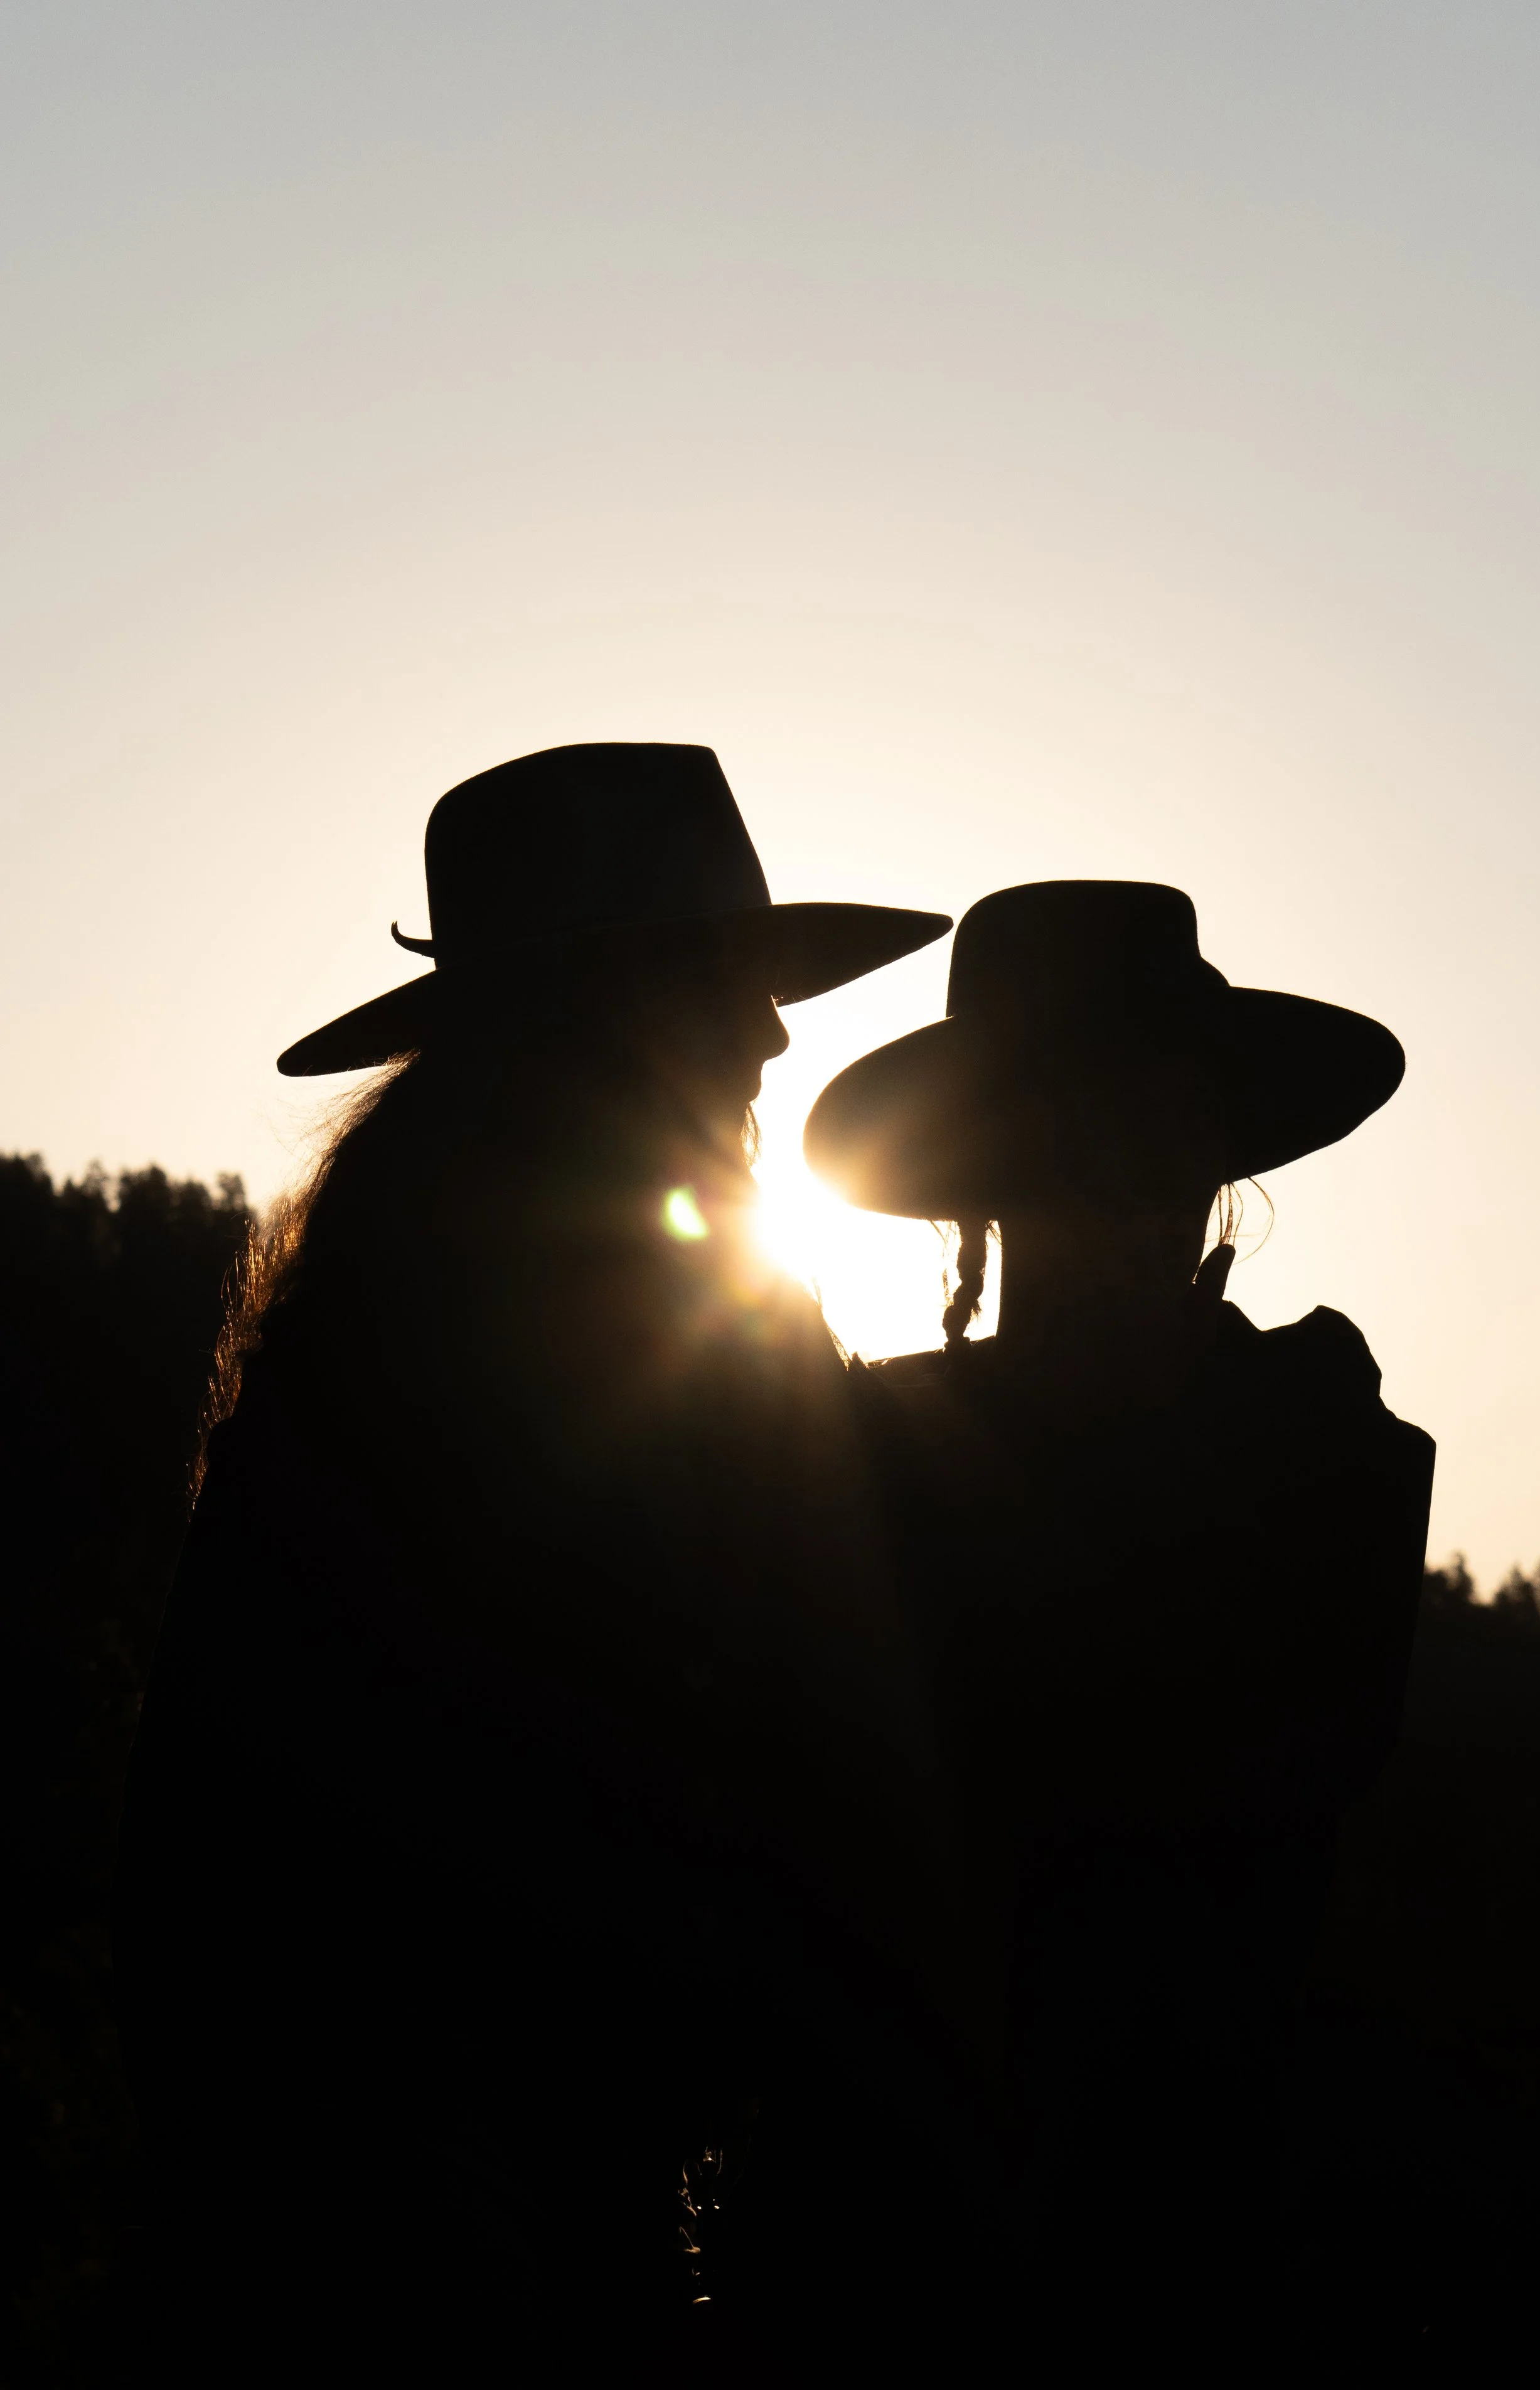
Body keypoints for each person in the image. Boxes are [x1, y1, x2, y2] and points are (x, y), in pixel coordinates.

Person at [114, 744, 961, 2382]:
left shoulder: (654, 1347)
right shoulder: (400, 1389)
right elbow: (236, 1906)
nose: (773, 1036)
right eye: (721, 985)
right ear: (587, 1024)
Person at [803, 879, 1435, 2369]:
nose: (1125, 1182)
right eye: (1074, 1138)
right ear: (992, 1173)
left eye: (1155, 1132)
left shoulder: (1322, 1442)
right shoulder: (858, 1458)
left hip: (1180, 2229)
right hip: (903, 2227)